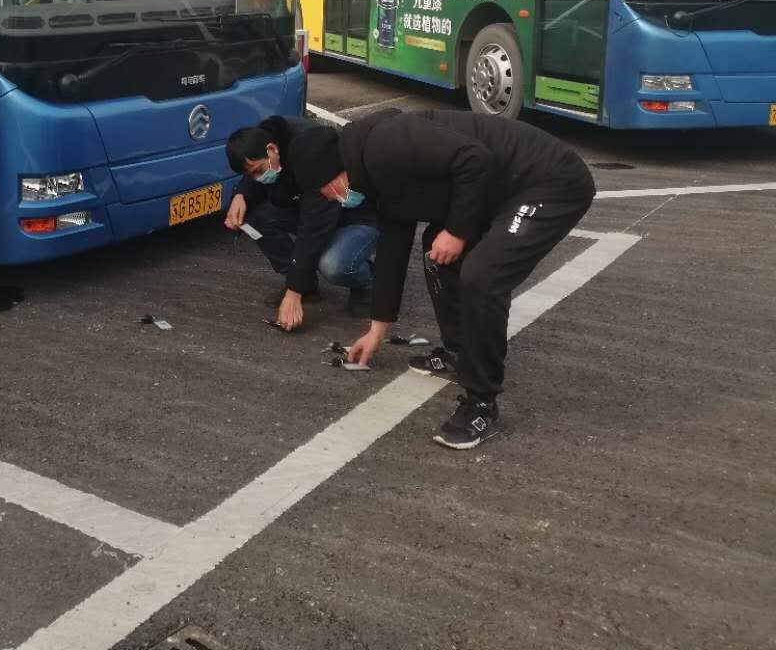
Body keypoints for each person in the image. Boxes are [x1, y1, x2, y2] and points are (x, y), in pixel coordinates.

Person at [288, 109, 595, 449]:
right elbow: (393, 247)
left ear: (332, 172)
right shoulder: (372, 178)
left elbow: (474, 159)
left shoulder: (385, 144)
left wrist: (458, 231)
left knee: (483, 275)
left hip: (549, 181)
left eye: (325, 190)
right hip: (499, 188)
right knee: (435, 251)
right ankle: (459, 351)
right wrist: (377, 331)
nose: (330, 198)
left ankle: (482, 402)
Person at [224, 116, 377, 330]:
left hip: (357, 216)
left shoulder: (312, 153)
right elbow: (253, 175)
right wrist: (241, 195)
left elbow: (313, 229)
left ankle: (367, 281)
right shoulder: (264, 143)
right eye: (252, 174)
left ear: (272, 149)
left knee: (333, 265)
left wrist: (294, 292)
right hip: (314, 211)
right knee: (253, 219)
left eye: (258, 171)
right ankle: (306, 286)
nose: (258, 177)